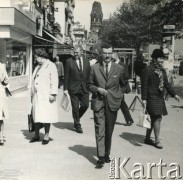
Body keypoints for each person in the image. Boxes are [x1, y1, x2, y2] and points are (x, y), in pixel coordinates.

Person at [88, 44, 126, 166]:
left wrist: (118, 95)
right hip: (98, 102)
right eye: (105, 53)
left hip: (113, 103)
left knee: (109, 130)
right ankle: (100, 156)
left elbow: (124, 85)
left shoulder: (119, 68)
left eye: (110, 53)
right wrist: (97, 89)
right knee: (100, 129)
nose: (107, 55)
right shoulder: (94, 68)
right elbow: (88, 85)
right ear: (101, 54)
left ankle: (107, 153)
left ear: (113, 53)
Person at [141, 49, 180, 149]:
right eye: (160, 58)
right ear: (154, 58)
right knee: (157, 118)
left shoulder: (162, 70)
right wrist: (144, 98)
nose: (161, 60)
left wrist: (174, 94)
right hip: (150, 97)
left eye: (163, 58)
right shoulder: (147, 69)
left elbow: (166, 83)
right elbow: (144, 85)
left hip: (159, 97)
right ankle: (157, 140)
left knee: (153, 118)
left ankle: (147, 138)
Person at [30, 48, 58, 145]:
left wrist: (53, 94)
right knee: (36, 116)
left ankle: (46, 136)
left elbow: (54, 81)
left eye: (36, 57)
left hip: (46, 95)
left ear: (41, 57)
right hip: (37, 95)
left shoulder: (51, 65)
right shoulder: (38, 66)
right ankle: (36, 135)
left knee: (46, 116)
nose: (35, 59)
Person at [64, 45, 90, 133]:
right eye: (74, 52)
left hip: (84, 88)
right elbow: (66, 76)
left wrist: (90, 86)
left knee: (85, 105)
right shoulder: (69, 61)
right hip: (73, 88)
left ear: (81, 52)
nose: (75, 54)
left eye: (77, 52)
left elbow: (88, 75)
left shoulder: (87, 61)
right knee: (75, 107)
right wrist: (65, 89)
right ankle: (78, 125)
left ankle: (76, 118)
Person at [113, 53, 134, 126]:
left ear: (116, 56)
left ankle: (129, 120)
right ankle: (128, 120)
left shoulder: (123, 65)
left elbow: (126, 76)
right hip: (113, 87)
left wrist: (118, 77)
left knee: (122, 103)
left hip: (120, 87)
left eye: (112, 55)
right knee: (117, 103)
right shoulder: (111, 64)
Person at [0, 62, 9, 146]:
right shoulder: (2, 66)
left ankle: (1, 137)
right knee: (0, 117)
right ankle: (1, 136)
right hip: (0, 92)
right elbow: (6, 80)